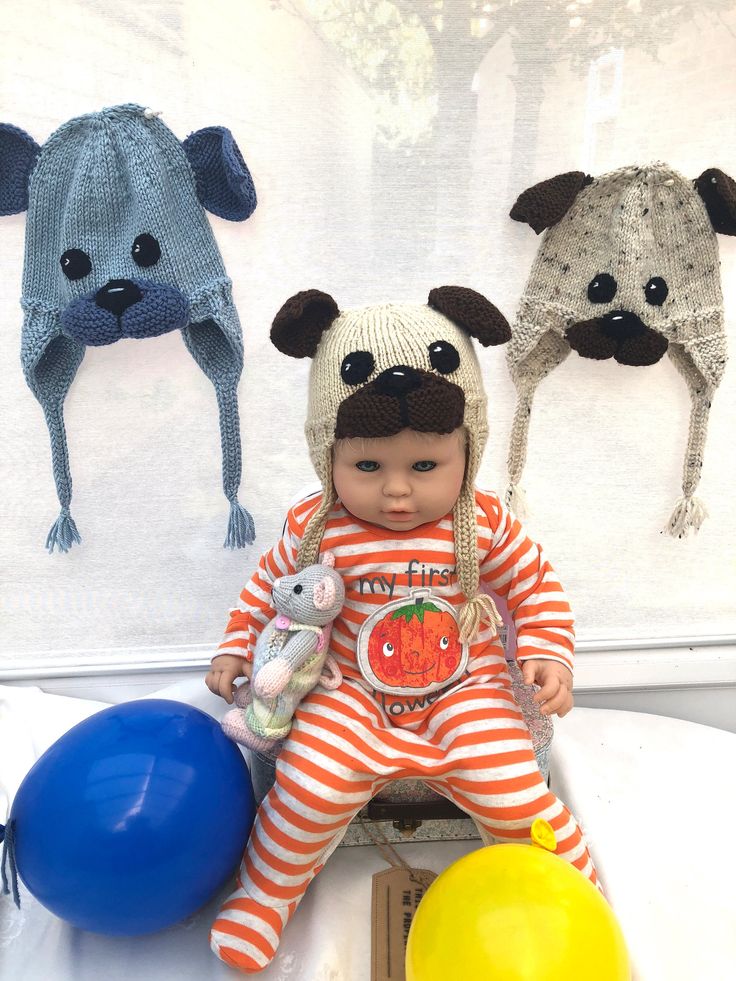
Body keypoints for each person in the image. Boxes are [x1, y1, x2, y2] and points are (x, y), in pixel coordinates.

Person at [205, 286, 598, 974]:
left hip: (465, 688)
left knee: (509, 785)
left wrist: (545, 654)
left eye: (424, 467)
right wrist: (237, 647)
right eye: (367, 467)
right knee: (309, 786)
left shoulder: (481, 524)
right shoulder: (314, 527)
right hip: (348, 688)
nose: (396, 491)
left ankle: (572, 885)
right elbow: (270, 595)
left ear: (466, 452)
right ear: (326, 454)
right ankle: (264, 895)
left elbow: (535, 584)